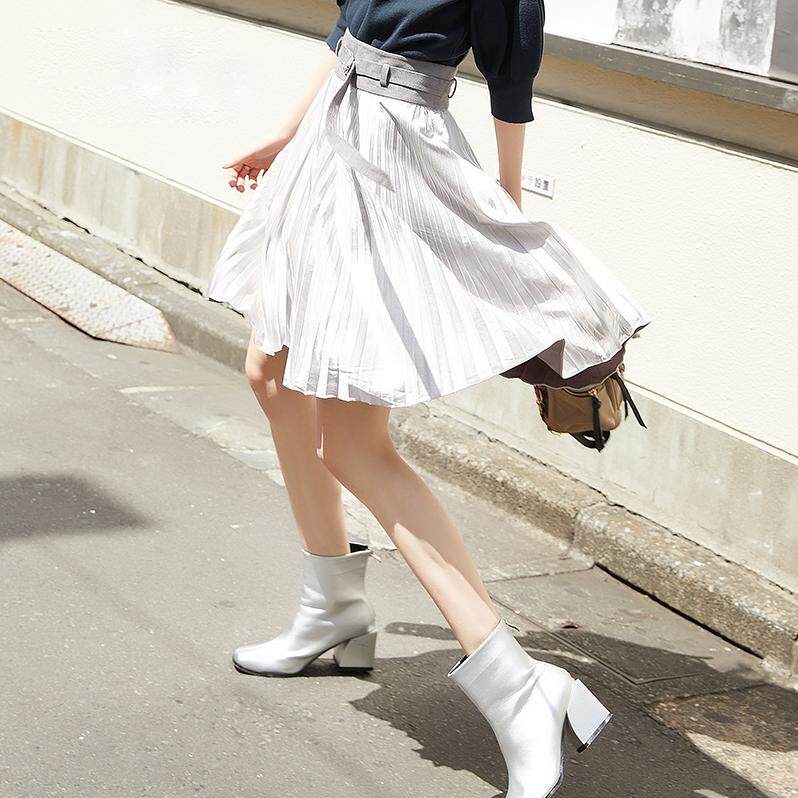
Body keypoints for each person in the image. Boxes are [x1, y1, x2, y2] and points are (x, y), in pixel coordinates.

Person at [204, 2, 649, 795]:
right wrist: (286, 134)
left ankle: (519, 688)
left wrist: (502, 210)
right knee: (271, 377)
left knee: (352, 444)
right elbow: (350, 32)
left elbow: (510, 80)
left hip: (394, 161)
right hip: (329, 143)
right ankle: (334, 612)